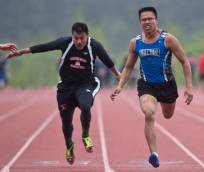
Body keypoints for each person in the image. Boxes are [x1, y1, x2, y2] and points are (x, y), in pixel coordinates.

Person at [5, 22, 121, 165]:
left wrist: (118, 75)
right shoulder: (64, 43)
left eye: (82, 38)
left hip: (85, 84)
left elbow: (108, 61)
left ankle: (85, 135)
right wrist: (21, 52)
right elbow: (43, 47)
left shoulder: (94, 46)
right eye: (76, 38)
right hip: (65, 88)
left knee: (85, 105)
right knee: (66, 123)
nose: (78, 41)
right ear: (72, 36)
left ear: (87, 36)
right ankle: (69, 145)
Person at [110, 6, 193, 168]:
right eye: (143, 19)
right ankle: (154, 153)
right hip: (147, 85)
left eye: (150, 19)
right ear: (140, 22)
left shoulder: (168, 39)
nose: (147, 22)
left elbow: (184, 61)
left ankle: (163, 106)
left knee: (168, 115)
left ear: (156, 20)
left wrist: (189, 86)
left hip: (167, 85)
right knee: (149, 113)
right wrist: (120, 85)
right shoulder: (135, 43)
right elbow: (128, 67)